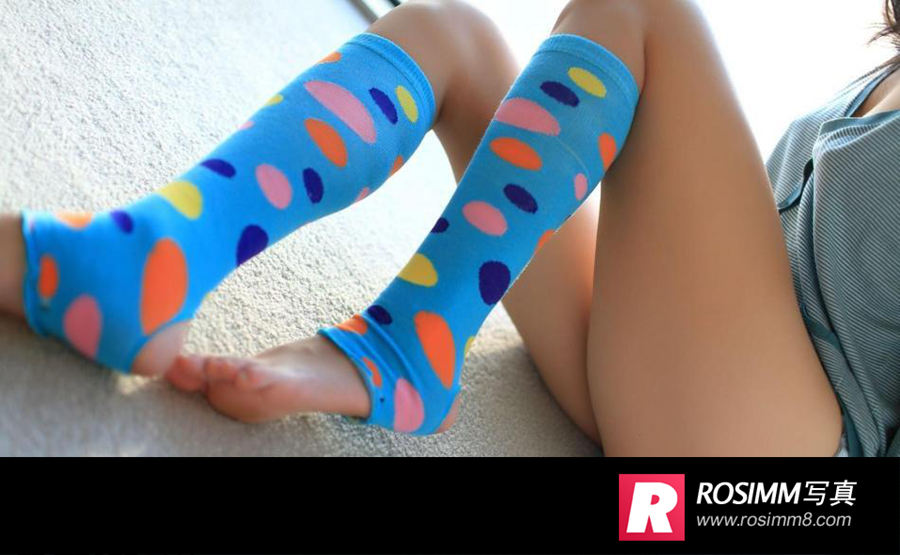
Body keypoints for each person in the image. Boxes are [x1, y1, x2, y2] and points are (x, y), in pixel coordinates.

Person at [1, 0, 897, 456]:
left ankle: (405, 344)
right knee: (458, 38)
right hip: (672, 379)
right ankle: (155, 255)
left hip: (761, 473)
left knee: (644, 7)